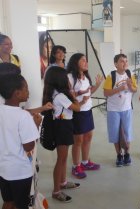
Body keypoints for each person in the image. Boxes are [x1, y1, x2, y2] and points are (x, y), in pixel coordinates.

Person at [43, 66, 88, 202]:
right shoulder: (61, 95)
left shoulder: (56, 93)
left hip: (64, 125)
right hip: (62, 127)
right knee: (61, 159)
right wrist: (75, 96)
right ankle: (56, 191)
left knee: (63, 158)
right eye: (66, 78)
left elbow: (72, 108)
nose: (68, 80)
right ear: (60, 80)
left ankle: (63, 183)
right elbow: (77, 108)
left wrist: (77, 99)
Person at [0, 73, 40, 209]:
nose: (28, 92)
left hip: (3, 169)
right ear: (17, 93)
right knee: (21, 204)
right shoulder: (23, 116)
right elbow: (29, 146)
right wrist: (35, 125)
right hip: (20, 172)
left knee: (8, 201)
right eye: (26, 89)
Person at [67, 53, 104, 179]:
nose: (86, 62)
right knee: (78, 140)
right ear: (75, 62)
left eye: (86, 60)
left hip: (88, 109)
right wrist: (79, 94)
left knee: (88, 136)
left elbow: (89, 92)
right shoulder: (70, 77)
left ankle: (85, 162)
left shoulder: (85, 77)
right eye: (83, 60)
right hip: (77, 111)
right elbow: (68, 95)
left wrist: (97, 85)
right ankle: (75, 166)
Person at [103, 53, 137, 167]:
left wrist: (130, 86)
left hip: (126, 108)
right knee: (115, 133)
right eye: (122, 61)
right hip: (113, 109)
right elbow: (106, 93)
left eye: (126, 61)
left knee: (127, 132)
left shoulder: (130, 74)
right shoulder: (111, 76)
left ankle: (127, 153)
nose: (125, 63)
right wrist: (120, 88)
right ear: (116, 64)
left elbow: (134, 90)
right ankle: (119, 155)